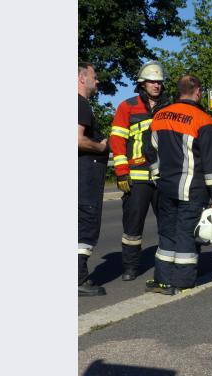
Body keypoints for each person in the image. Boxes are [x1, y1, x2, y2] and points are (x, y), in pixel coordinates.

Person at [145, 75, 212, 295]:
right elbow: (211, 165)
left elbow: (148, 149)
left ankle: (162, 279)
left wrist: (157, 174)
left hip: (165, 187)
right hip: (192, 189)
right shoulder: (204, 120)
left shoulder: (160, 115)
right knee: (186, 235)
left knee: (167, 233)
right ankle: (182, 281)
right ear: (198, 91)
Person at [109, 60, 171, 281]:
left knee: (167, 223)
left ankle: (166, 265)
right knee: (132, 226)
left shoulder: (169, 108)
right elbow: (117, 140)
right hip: (136, 176)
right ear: (142, 84)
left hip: (163, 177)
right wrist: (122, 171)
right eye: (152, 82)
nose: (156, 85)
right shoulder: (128, 106)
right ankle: (130, 267)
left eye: (159, 82)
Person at [78, 62, 109, 297]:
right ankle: (78, 278)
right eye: (94, 76)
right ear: (81, 78)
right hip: (84, 175)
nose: (97, 81)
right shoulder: (80, 104)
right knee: (86, 222)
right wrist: (100, 146)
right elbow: (77, 139)